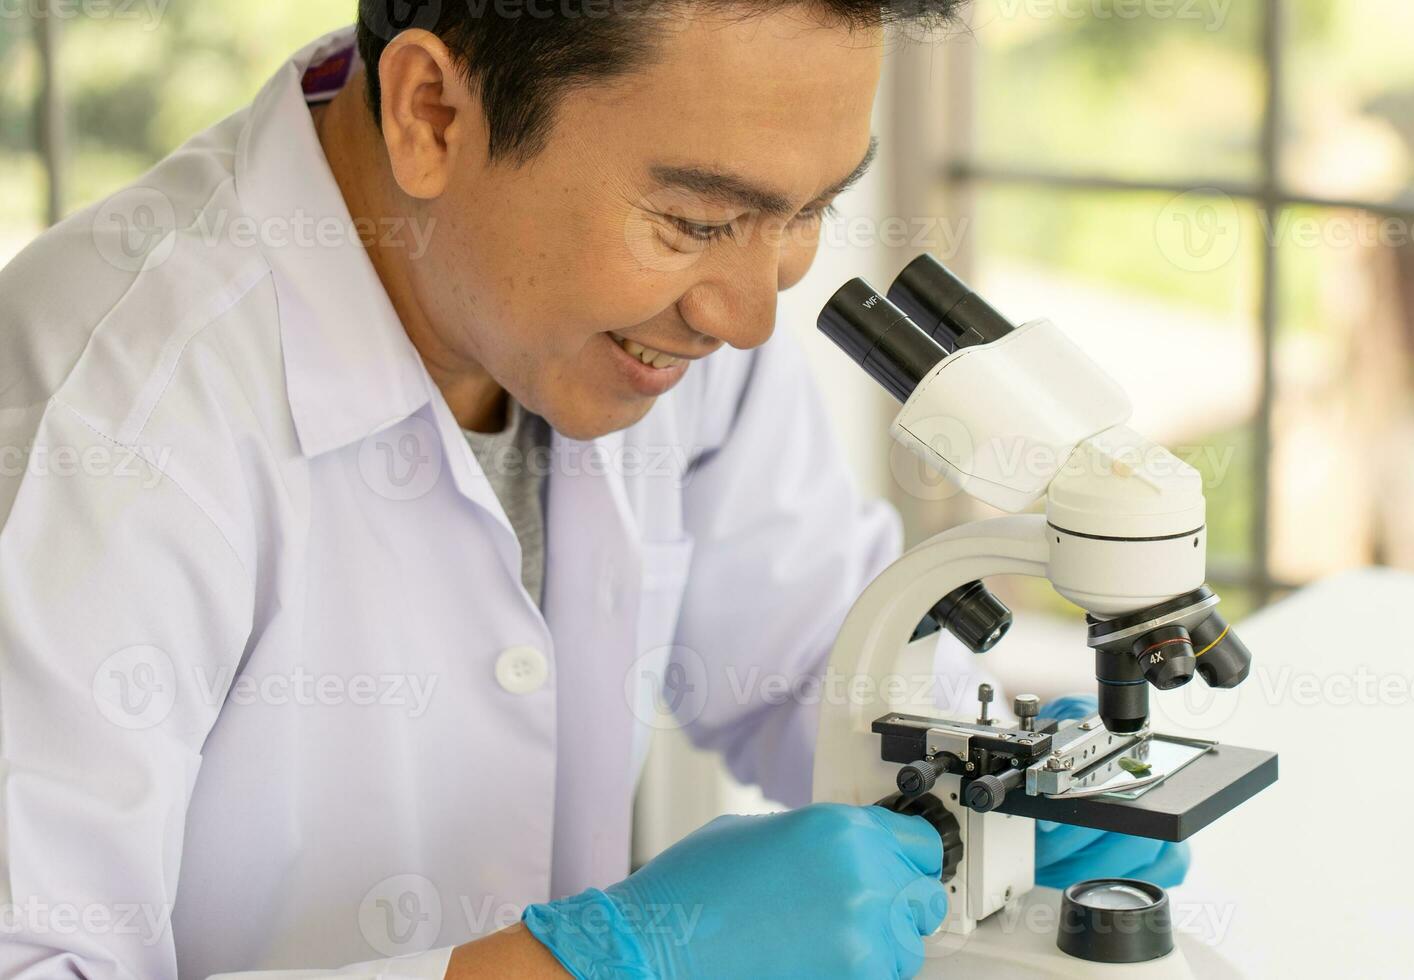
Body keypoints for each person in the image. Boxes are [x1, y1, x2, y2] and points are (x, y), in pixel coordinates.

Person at [0, 3, 1184, 977]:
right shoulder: (100, 414)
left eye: (810, 210)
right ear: (433, 113)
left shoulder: (672, 313)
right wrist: (588, 967)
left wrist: (993, 775)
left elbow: (798, 663)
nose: (750, 313)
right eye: (694, 219)